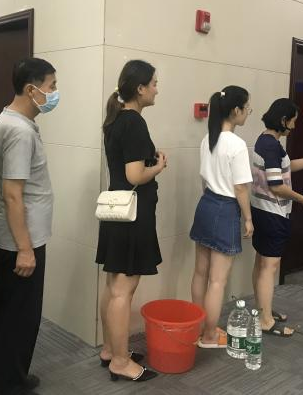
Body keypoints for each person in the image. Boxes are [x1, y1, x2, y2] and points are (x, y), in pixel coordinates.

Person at [0, 58, 57, 395]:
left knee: (10, 312)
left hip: (16, 236)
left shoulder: (10, 121)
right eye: (51, 86)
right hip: (21, 241)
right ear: (31, 89)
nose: (54, 93)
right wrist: (25, 249)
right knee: (20, 316)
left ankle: (8, 376)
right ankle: (7, 385)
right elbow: (13, 194)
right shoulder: (18, 131)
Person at [96, 60, 166, 382]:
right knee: (124, 289)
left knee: (114, 286)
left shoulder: (115, 119)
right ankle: (121, 362)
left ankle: (111, 350)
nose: (156, 89)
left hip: (117, 212)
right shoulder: (134, 122)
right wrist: (158, 166)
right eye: (154, 84)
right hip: (133, 215)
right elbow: (135, 175)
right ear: (140, 88)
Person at [250, 98, 303, 337]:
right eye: (293, 121)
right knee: (269, 266)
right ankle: (265, 321)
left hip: (262, 210)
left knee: (262, 263)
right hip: (272, 213)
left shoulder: (266, 140)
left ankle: (263, 310)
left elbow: (287, 167)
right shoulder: (271, 146)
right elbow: (277, 186)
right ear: (283, 120)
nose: (294, 126)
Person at [190, 85, 253, 349]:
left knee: (200, 273)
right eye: (247, 107)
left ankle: (198, 328)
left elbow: (204, 179)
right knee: (217, 281)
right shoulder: (237, 144)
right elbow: (241, 188)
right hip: (225, 209)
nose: (248, 112)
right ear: (236, 110)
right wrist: (248, 218)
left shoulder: (208, 138)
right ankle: (209, 337)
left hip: (206, 204)